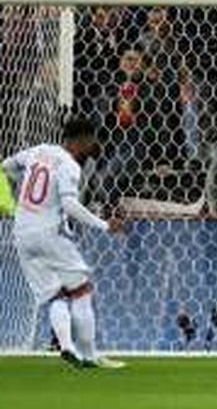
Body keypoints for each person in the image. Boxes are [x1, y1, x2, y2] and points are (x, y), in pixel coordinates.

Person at [1, 118, 126, 368]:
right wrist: (104, 225)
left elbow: (5, 167)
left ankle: (67, 346)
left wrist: (12, 193)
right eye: (92, 139)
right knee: (81, 289)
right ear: (83, 140)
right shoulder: (70, 166)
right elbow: (69, 205)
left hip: (22, 234)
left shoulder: (38, 151)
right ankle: (90, 356)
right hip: (49, 233)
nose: (94, 144)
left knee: (54, 295)